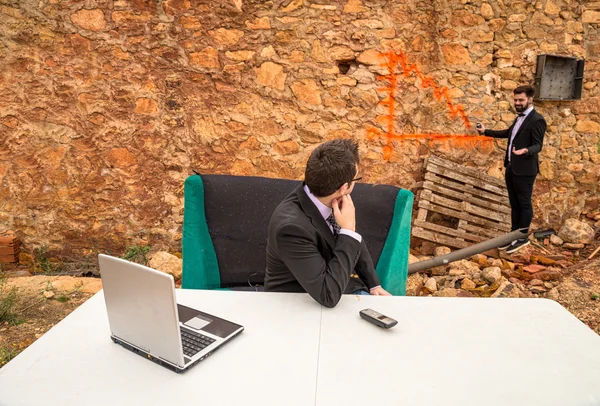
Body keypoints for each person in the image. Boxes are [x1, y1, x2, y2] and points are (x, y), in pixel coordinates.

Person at [264, 139, 390, 307]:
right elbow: (327, 295)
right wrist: (348, 231)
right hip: (294, 303)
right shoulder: (291, 228)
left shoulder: (327, 197)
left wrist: (374, 284)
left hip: (332, 287)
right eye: (356, 178)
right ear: (344, 187)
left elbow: (353, 240)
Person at [476, 84, 546, 254]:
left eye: (520, 100)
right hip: (512, 168)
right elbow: (509, 133)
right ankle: (512, 236)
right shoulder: (519, 118)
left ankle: (521, 238)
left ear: (530, 99)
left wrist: (526, 150)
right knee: (514, 204)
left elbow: (538, 145)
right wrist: (486, 131)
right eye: (515, 100)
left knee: (524, 203)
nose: (517, 103)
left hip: (525, 170)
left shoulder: (537, 120)